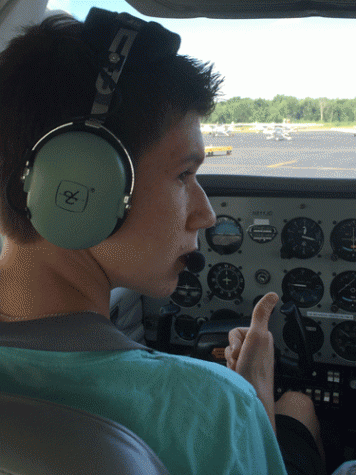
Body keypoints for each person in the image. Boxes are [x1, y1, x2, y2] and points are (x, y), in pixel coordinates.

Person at [0, 8, 328, 474]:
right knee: (298, 408)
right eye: (184, 174)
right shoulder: (214, 407)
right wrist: (252, 407)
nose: (207, 214)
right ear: (81, 184)